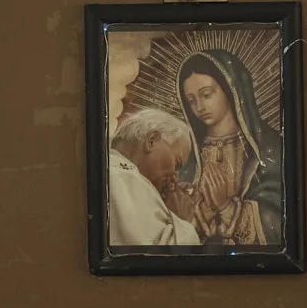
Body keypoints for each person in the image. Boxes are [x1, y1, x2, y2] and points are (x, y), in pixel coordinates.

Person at [167, 50, 283, 246]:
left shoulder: (268, 149)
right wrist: (206, 210)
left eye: (206, 94)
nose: (199, 107)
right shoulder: (187, 156)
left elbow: (279, 224)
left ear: (230, 89)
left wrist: (227, 207)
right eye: (191, 100)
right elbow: (170, 228)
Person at [107, 108, 200, 246]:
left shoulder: (113, 171)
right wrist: (183, 221)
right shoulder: (124, 179)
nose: (175, 178)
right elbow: (162, 261)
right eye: (177, 163)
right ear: (152, 140)